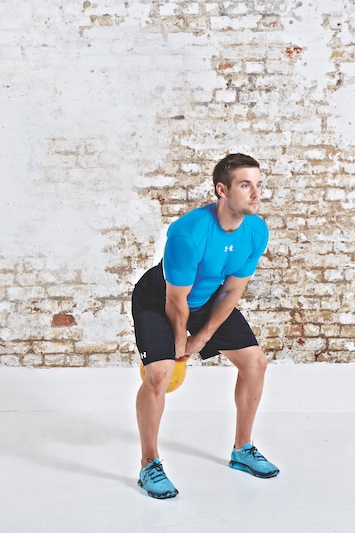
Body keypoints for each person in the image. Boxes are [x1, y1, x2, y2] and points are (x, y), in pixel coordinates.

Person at [131, 153, 279, 499]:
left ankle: (243, 450)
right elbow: (174, 301)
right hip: (160, 298)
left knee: (255, 363)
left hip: (209, 298)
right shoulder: (189, 233)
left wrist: (204, 336)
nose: (256, 193)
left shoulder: (256, 230)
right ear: (222, 190)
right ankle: (149, 463)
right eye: (246, 185)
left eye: (258, 185)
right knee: (159, 374)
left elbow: (232, 288)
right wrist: (181, 342)